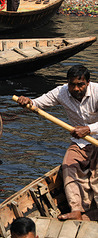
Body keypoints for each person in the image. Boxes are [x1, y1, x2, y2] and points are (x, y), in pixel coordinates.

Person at [17, 65, 97, 221]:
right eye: (72, 84)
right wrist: (28, 101)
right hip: (80, 142)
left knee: (96, 175)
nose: (76, 88)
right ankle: (76, 209)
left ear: (88, 83)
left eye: (80, 85)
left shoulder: (97, 92)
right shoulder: (61, 92)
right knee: (68, 167)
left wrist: (88, 129)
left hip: (96, 137)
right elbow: (38, 103)